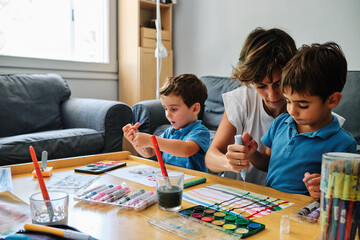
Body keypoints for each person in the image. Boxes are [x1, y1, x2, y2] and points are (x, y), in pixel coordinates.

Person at [239, 42, 357, 198]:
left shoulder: (343, 144)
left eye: (302, 105)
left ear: (332, 100)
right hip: (269, 205)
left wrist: (326, 188)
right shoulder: (281, 123)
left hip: (305, 213)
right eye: (288, 101)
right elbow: (268, 162)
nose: (291, 111)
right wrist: (252, 154)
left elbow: (345, 195)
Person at [205, 27, 298, 185]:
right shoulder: (241, 100)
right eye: (261, 86)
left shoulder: (304, 106)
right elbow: (210, 158)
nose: (272, 95)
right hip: (241, 194)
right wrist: (229, 162)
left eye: (279, 84)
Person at [123, 73, 210, 172]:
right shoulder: (170, 132)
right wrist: (134, 140)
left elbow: (186, 149)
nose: (167, 115)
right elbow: (150, 152)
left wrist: (151, 140)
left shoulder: (200, 132)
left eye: (173, 109)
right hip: (171, 180)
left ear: (195, 108)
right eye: (165, 108)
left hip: (196, 183)